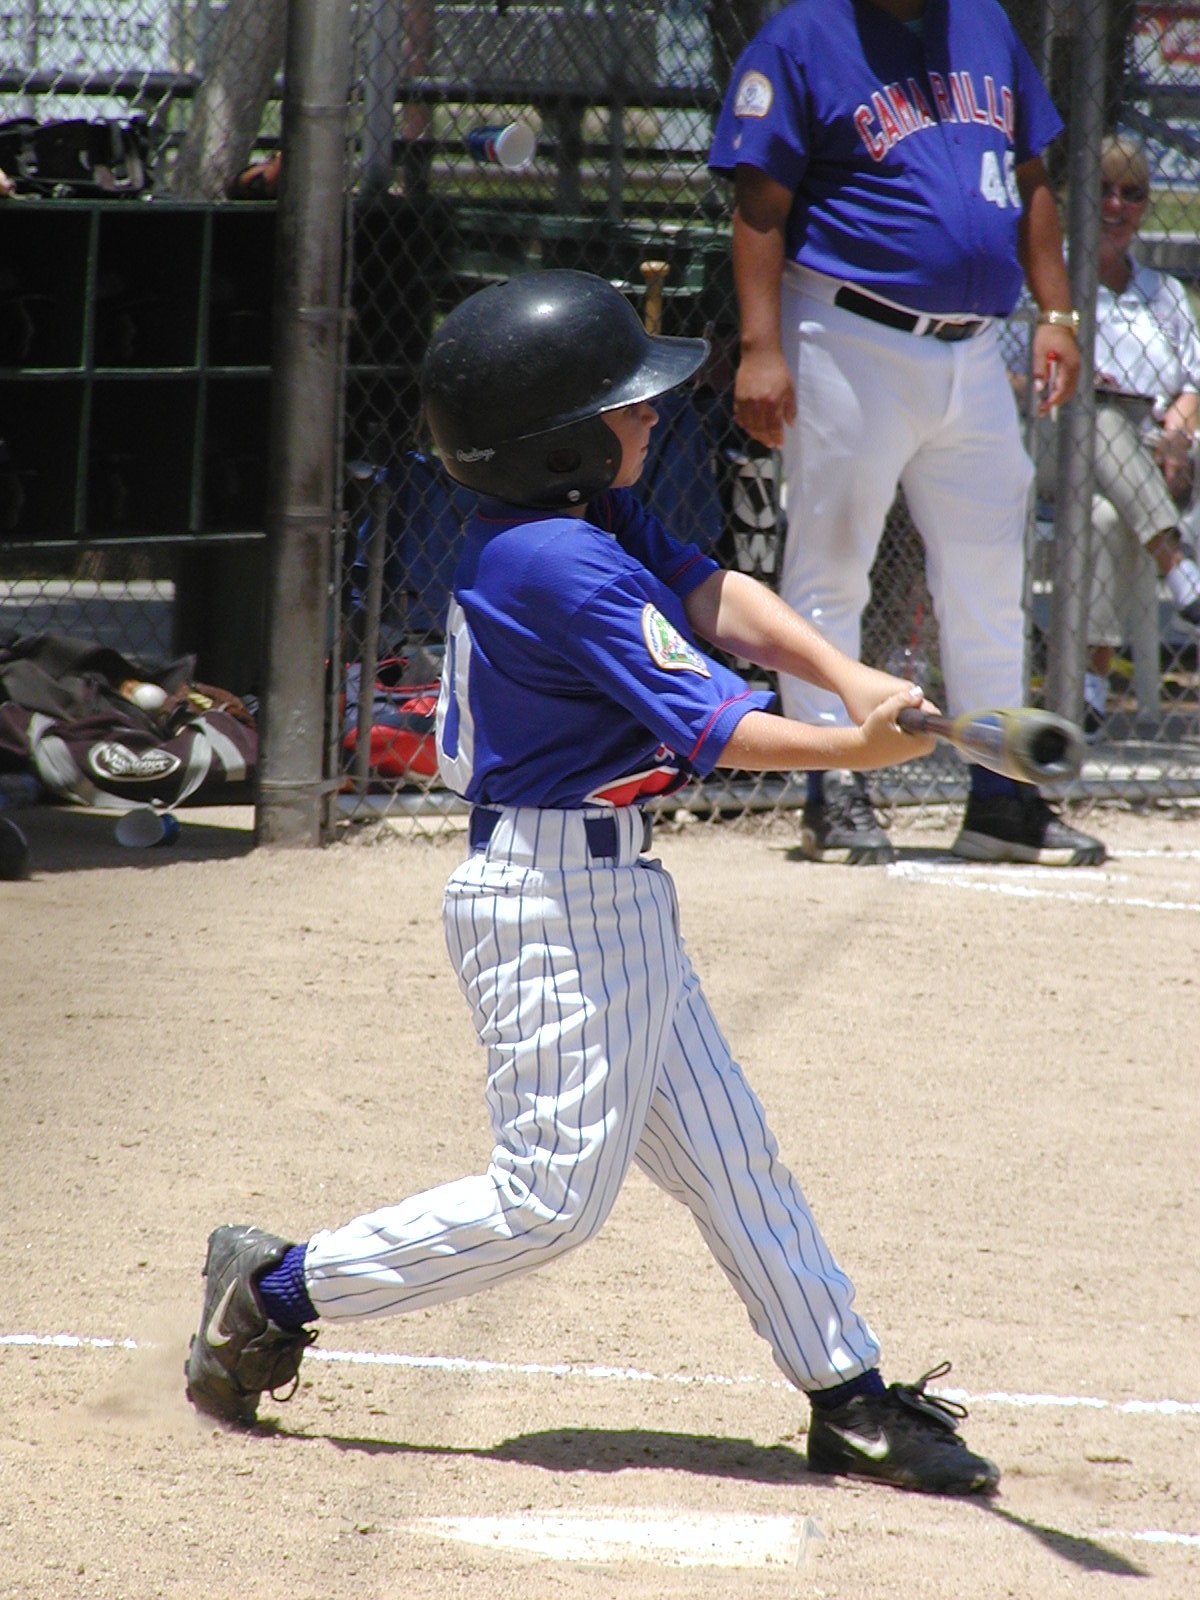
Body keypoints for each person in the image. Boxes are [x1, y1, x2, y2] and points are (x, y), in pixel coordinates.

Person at [185, 268, 1000, 1497]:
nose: (653, 414)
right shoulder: (555, 563)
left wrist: (851, 677)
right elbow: (718, 728)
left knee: (729, 1156)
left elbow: (717, 593)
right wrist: (853, 750)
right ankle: (276, 1288)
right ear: (557, 441)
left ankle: (851, 1397)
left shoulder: (580, 520)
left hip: (608, 891)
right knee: (550, 1202)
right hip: (549, 904)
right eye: (625, 404)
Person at [708, 0, 1106, 867]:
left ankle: (1002, 796)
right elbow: (760, 201)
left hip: (975, 348)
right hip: (846, 329)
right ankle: (834, 786)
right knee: (832, 563)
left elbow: (1030, 174)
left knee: (990, 578)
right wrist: (761, 347)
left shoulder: (982, 22)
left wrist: (1057, 312)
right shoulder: (804, 37)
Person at [1009, 133, 1200, 736]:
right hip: (1051, 435)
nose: (1117, 205)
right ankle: (1175, 561)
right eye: (1103, 191)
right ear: (1076, 200)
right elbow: (1003, 370)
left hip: (1148, 452)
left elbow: (1193, 384)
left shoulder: (1163, 293)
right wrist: (1063, 379)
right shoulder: (1047, 276)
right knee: (1096, 410)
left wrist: (1179, 433)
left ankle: (1087, 691)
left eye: (1132, 193)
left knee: (1103, 516)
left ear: (1145, 205)